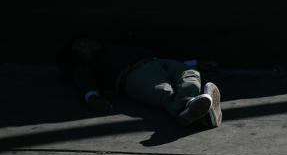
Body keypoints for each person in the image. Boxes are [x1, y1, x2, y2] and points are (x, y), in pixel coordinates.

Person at [58, 36, 222, 128]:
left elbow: (163, 55)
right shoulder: (85, 66)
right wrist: (92, 98)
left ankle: (191, 108)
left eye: (86, 39)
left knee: (190, 73)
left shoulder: (115, 48)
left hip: (158, 61)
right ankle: (196, 112)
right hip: (133, 75)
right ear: (76, 55)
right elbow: (84, 83)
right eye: (80, 45)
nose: (87, 43)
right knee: (164, 91)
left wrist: (194, 62)